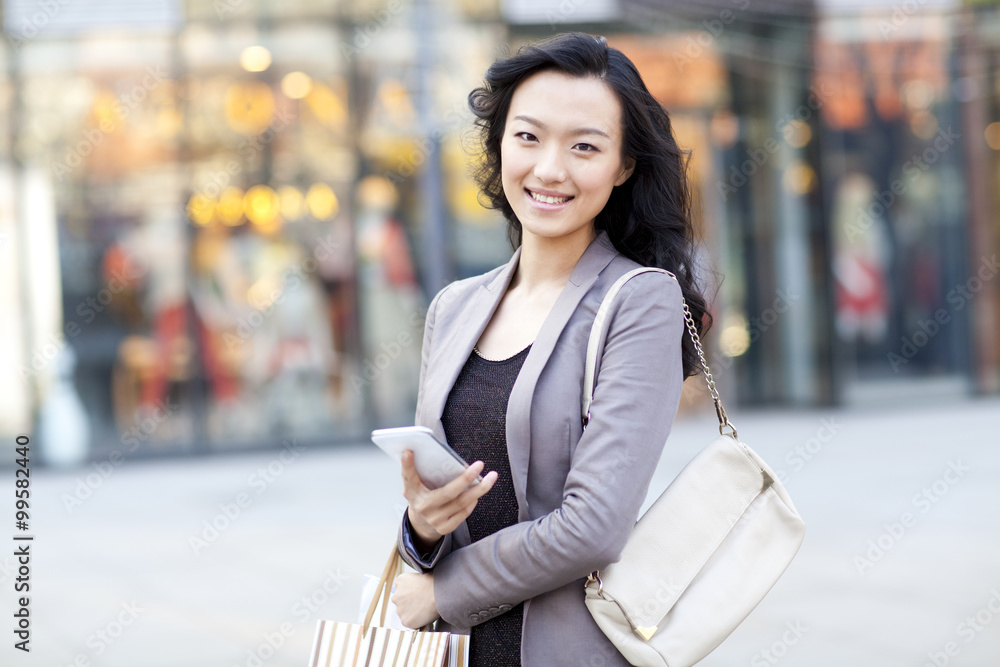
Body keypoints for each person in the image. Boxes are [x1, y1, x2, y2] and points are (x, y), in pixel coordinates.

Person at [390, 32, 711, 666]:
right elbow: (442, 512)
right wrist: (421, 529)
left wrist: (444, 589)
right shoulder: (454, 308)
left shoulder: (639, 301)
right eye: (528, 137)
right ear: (500, 143)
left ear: (623, 168)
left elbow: (595, 526)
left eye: (584, 146)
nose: (549, 169)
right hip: (455, 652)